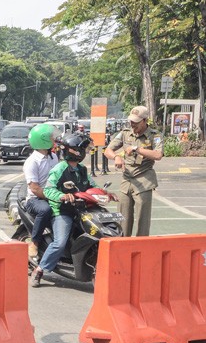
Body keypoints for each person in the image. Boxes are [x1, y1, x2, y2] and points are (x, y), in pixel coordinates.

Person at [31, 133, 118, 287]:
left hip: (83, 209)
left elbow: (92, 187)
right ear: (75, 151)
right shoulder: (59, 169)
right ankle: (40, 269)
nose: (85, 151)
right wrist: (63, 196)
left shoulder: (82, 169)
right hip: (63, 211)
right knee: (60, 242)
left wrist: (106, 194)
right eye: (83, 148)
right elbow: (48, 190)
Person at [104, 105, 163, 237]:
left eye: (136, 122)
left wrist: (137, 148)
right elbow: (108, 150)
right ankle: (123, 246)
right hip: (127, 179)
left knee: (143, 219)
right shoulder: (125, 133)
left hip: (144, 179)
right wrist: (116, 157)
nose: (132, 124)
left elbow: (158, 155)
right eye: (131, 121)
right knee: (122, 217)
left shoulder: (155, 136)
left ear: (144, 121)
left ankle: (141, 248)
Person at [22, 124, 60, 259]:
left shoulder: (54, 157)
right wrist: (56, 197)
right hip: (35, 199)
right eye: (51, 137)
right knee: (45, 210)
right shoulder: (31, 162)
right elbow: (35, 188)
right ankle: (35, 242)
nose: (53, 139)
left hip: (52, 195)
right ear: (43, 139)